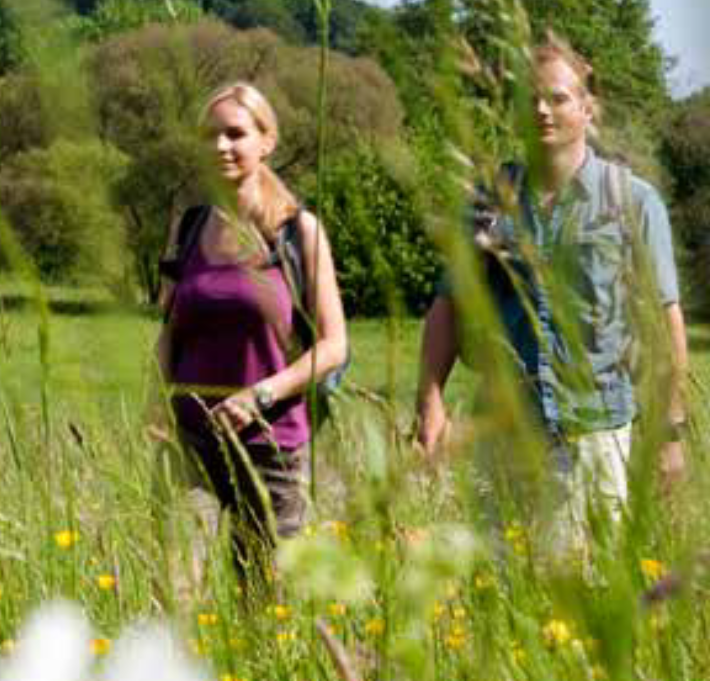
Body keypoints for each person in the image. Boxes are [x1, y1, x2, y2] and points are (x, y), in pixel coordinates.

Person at [415, 36, 688, 562]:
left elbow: (664, 325)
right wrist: (430, 403)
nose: (541, 109)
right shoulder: (486, 200)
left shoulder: (632, 200)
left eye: (558, 98)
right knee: (497, 592)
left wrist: (670, 433)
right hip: (499, 431)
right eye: (529, 99)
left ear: (589, 109)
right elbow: (447, 304)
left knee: (580, 594)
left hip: (593, 435)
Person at [156, 81, 347, 589]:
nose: (221, 146)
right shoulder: (190, 228)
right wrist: (158, 404)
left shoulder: (298, 233)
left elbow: (333, 346)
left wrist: (260, 396)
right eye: (210, 135)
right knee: (175, 590)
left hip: (272, 444)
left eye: (235, 134)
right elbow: (168, 333)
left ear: (267, 141)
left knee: (265, 604)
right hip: (191, 440)